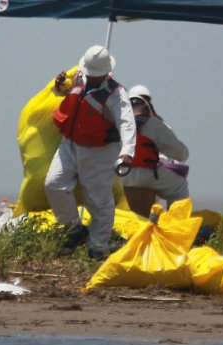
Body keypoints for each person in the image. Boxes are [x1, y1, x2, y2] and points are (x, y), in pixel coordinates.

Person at [46, 45, 136, 259]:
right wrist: (59, 85)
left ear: (106, 72)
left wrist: (127, 152)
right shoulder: (79, 77)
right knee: (54, 184)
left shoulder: (116, 93)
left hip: (100, 152)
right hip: (70, 144)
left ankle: (98, 248)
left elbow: (127, 123)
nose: (91, 78)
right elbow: (61, 93)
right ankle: (74, 229)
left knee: (99, 201)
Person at [122, 86, 189, 216]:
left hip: (121, 175)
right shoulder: (153, 123)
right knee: (179, 186)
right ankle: (176, 225)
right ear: (147, 105)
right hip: (146, 173)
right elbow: (180, 154)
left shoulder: (118, 122)